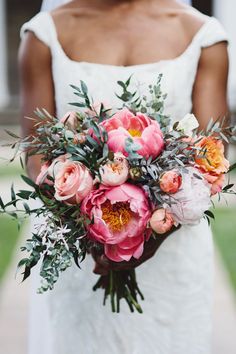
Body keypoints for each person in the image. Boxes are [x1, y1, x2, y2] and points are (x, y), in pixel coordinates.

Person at [19, 1, 229, 353]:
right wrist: (89, 222)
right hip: (78, 254)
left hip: (173, 258)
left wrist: (149, 235)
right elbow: (35, 154)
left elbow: (211, 157)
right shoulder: (43, 36)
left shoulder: (203, 36)